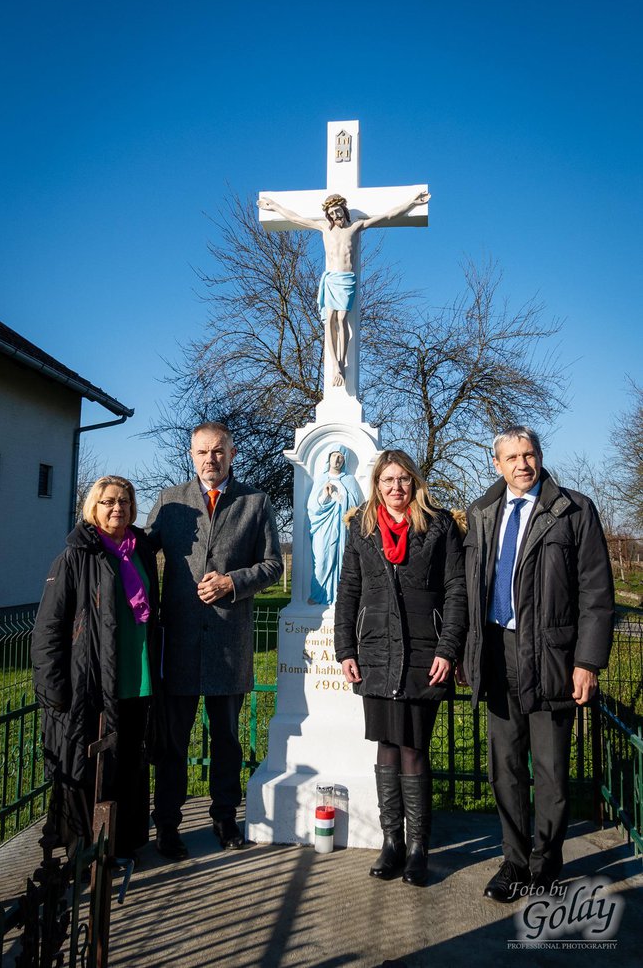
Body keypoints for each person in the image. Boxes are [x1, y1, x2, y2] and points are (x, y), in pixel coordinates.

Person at [460, 426, 614, 902]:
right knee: (503, 768)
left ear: (540, 456)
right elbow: (468, 590)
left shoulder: (573, 509)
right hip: (496, 653)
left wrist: (587, 661)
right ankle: (514, 861)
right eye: (512, 457)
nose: (522, 464)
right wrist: (467, 652)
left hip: (552, 657)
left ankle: (545, 865)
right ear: (496, 464)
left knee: (550, 771)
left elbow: (597, 593)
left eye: (530, 454)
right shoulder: (482, 512)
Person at [145, 421, 282, 859]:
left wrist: (232, 582)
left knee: (226, 739)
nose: (211, 459)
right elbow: (141, 552)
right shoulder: (170, 503)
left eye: (218, 451)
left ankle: (225, 818)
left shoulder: (256, 503)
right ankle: (167, 824)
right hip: (180, 643)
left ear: (232, 453)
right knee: (173, 742)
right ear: (191, 455)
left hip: (228, 642)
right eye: (203, 452)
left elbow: (273, 565)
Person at [334, 449, 467, 885]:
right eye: (388, 480)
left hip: (423, 650)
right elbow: (348, 589)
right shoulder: (362, 526)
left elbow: (454, 590)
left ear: (415, 483)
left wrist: (448, 649)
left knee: (413, 746)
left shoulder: (439, 526)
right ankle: (391, 841)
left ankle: (418, 847)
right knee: (386, 744)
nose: (396, 488)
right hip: (375, 649)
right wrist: (344, 649)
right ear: (377, 485)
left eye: (403, 480)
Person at [32, 476, 161, 861]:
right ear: (94, 507)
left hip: (137, 681)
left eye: (124, 501)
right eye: (107, 502)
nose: (117, 508)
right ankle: (88, 852)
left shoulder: (142, 552)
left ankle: (123, 844)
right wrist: (52, 687)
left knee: (129, 768)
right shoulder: (76, 556)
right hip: (90, 684)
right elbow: (49, 628)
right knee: (91, 769)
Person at [257, 191, 429, 387]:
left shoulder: (355, 227)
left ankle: (342, 358)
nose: (335, 216)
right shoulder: (324, 228)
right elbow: (296, 218)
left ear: (344, 210)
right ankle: (336, 365)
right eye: (331, 213)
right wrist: (275, 207)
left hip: (346, 279)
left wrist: (411, 202)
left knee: (342, 319)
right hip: (331, 279)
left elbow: (388, 215)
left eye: (338, 211)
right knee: (329, 319)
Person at [307, 444, 362, 605]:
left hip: (343, 528)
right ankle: (318, 595)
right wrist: (325, 495)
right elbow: (313, 507)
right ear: (328, 458)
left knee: (343, 559)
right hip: (323, 528)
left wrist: (339, 497)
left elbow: (356, 505)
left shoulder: (349, 480)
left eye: (340, 457)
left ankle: (341, 596)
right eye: (334, 456)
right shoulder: (321, 479)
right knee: (321, 560)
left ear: (344, 460)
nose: (336, 460)